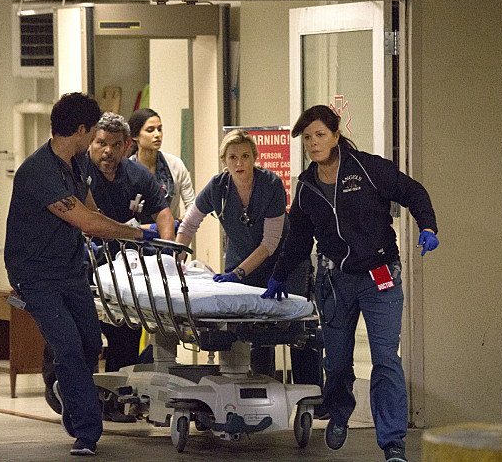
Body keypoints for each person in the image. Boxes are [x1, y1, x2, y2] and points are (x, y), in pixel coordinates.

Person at [262, 105, 439, 462]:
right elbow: (298, 238)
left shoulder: (368, 169)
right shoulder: (307, 186)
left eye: (320, 135)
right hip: (335, 280)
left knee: (386, 359)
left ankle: (393, 444)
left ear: (336, 136)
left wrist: (428, 226)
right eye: (308, 138)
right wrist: (279, 274)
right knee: (338, 361)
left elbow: (412, 191)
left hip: (380, 275)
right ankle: (340, 410)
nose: (313, 143)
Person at [4, 92, 158, 457]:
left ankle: (65, 390)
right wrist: (137, 232)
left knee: (91, 343)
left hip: (71, 269)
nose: (95, 143)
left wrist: (118, 225)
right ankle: (87, 434)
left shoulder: (75, 164)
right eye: (93, 135)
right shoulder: (38, 171)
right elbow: (86, 220)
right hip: (36, 275)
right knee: (70, 348)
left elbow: (90, 209)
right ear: (81, 129)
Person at [40, 112, 176, 423]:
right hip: (77, 266)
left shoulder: (139, 176)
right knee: (72, 335)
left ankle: (116, 401)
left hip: (124, 273)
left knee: (125, 336)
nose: (108, 152)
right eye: (101, 143)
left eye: (115, 145)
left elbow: (164, 215)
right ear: (90, 142)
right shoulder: (75, 173)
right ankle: (61, 391)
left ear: (127, 145)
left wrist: (167, 255)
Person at [175, 129, 293, 378]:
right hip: (241, 257)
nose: (239, 163)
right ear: (224, 161)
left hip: (279, 260)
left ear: (254, 158)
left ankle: (276, 385)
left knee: (277, 330)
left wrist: (238, 273)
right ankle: (237, 380)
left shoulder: (271, 185)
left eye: (246, 156)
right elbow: (188, 226)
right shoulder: (218, 187)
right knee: (239, 325)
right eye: (232, 157)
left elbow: (270, 243)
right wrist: (176, 265)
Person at [127, 108, 195, 221]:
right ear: (135, 136)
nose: (157, 135)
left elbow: (192, 205)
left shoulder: (175, 165)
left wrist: (178, 223)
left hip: (170, 235)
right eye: (150, 130)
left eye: (160, 129)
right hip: (136, 235)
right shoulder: (126, 169)